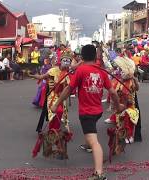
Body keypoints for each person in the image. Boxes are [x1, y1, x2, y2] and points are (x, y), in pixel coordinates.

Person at [51, 45, 123, 180]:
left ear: (82, 57)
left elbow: (68, 89)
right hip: (97, 112)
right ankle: (88, 143)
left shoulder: (81, 70)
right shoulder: (101, 71)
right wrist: (118, 105)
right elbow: (112, 91)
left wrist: (56, 104)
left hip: (87, 113)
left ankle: (99, 174)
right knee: (90, 132)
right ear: (95, 56)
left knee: (94, 142)